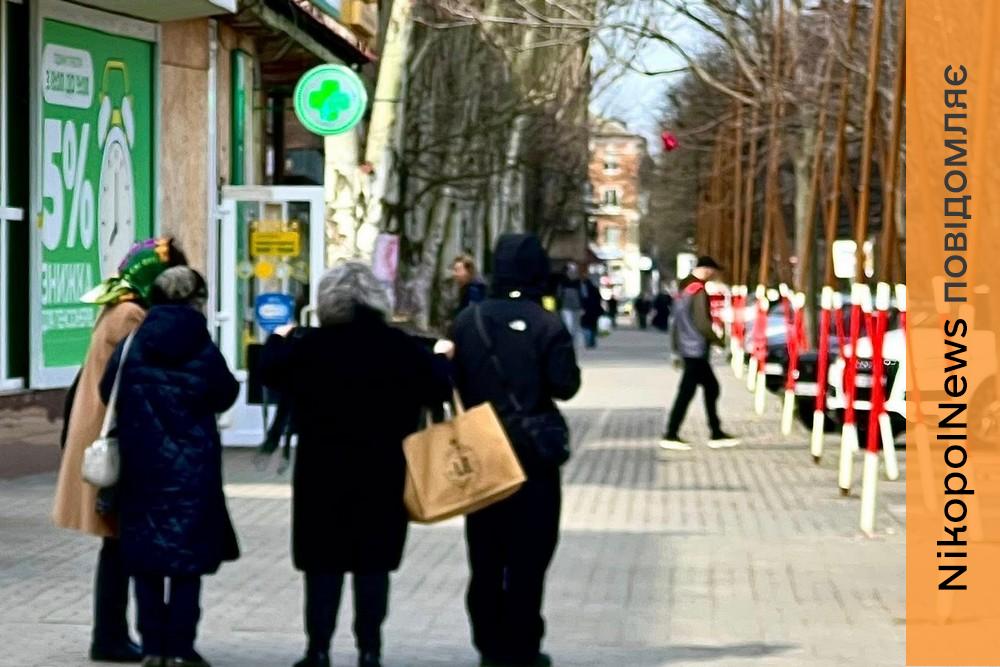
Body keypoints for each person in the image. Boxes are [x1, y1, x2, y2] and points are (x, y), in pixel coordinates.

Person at [259, 262, 451, 667]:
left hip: (321, 473)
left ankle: (318, 649)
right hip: (382, 472)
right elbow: (437, 384)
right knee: (373, 564)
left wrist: (277, 338)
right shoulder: (399, 347)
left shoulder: (312, 347)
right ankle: (369, 650)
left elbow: (269, 372)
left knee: (322, 564)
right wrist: (440, 355)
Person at [52, 237, 188, 664]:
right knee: (119, 542)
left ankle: (110, 633)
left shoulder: (120, 308)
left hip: (102, 431)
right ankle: (109, 636)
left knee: (117, 542)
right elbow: (141, 378)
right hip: (115, 438)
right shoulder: (131, 315)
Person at [450, 234, 582, 667]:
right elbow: (566, 386)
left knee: (485, 554)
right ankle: (524, 644)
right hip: (534, 456)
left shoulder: (468, 321)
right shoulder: (547, 324)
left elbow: (453, 380)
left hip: (482, 448)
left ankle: (489, 643)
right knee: (530, 555)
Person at [100, 266, 240, 667]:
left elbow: (108, 391)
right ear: (197, 300)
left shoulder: (132, 344)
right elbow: (225, 393)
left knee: (145, 563)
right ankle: (181, 648)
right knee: (186, 564)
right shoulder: (203, 346)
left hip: (141, 468)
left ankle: (152, 648)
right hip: (192, 470)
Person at [660, 257, 739, 451]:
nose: (714, 275)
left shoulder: (683, 289)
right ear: (705, 269)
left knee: (709, 388)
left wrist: (676, 349)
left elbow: (675, 322)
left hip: (687, 348)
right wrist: (719, 340)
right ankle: (674, 433)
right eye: (713, 271)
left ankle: (715, 431)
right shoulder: (698, 290)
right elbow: (703, 322)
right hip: (696, 348)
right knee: (691, 392)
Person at [556, 263, 584, 346]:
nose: (572, 272)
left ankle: (574, 342)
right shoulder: (562, 281)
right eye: (571, 270)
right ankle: (569, 341)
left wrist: (583, 306)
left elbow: (582, 294)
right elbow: (559, 294)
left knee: (575, 326)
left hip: (577, 307)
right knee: (569, 325)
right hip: (566, 306)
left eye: (574, 270)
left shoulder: (578, 282)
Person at [579, 276, 604, 348]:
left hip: (586, 311)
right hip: (595, 311)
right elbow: (600, 299)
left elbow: (582, 300)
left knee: (586, 327)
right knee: (593, 327)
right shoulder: (595, 289)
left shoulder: (583, 291)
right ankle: (592, 342)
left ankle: (588, 342)